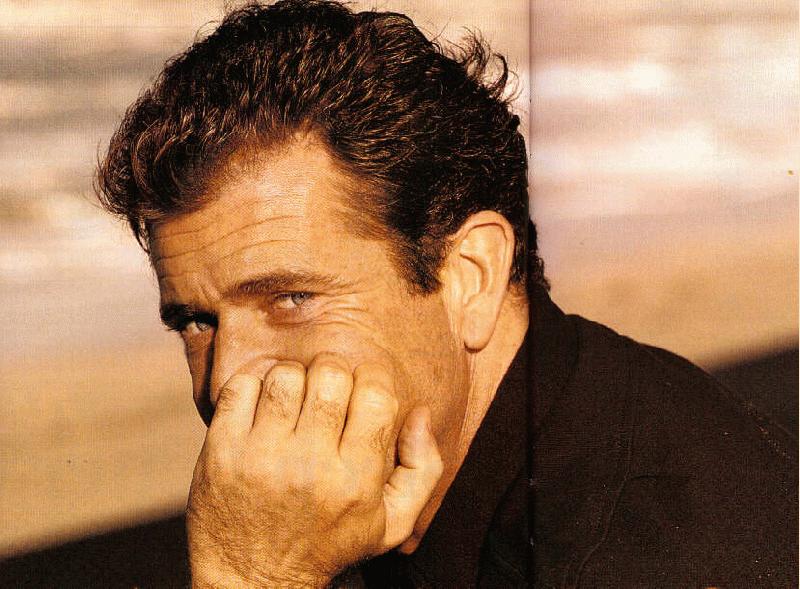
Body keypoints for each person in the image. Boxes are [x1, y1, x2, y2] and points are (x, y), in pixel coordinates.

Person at [96, 1, 796, 586]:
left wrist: (255, 574)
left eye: (291, 299)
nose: (225, 379)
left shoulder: (635, 552)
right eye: (194, 321)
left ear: (472, 278)